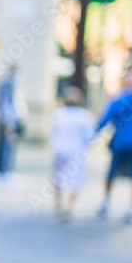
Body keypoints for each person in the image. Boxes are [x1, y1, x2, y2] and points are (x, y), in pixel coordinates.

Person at [95, 69, 132, 223]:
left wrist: (93, 135)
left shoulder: (117, 100)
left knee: (111, 173)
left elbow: (104, 121)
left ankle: (105, 204)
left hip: (119, 143)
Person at [49, 86, 93, 221]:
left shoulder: (58, 114)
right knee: (76, 179)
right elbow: (90, 137)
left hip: (59, 150)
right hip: (76, 151)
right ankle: (68, 207)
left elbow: (52, 132)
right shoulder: (84, 116)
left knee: (58, 177)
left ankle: (58, 203)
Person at [0, 65, 27, 182]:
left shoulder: (10, 86)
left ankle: (4, 171)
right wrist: (8, 122)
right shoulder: (6, 86)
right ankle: (4, 172)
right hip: (8, 122)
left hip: (10, 121)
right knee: (6, 147)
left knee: (8, 146)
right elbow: (5, 106)